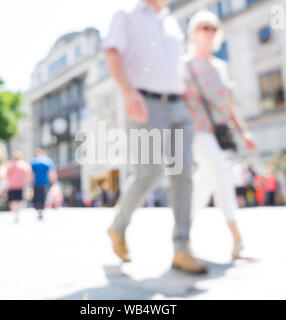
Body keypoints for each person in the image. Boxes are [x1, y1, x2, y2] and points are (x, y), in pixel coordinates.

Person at [104, 0, 206, 273]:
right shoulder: (126, 15)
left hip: (178, 105)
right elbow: (112, 54)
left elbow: (177, 67)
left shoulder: (171, 22)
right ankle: (118, 226)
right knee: (148, 173)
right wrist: (127, 92)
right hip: (144, 104)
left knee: (183, 172)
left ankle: (182, 248)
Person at [183, 11, 257, 260]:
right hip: (197, 132)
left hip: (219, 132)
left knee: (204, 186)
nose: (209, 31)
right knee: (223, 176)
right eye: (203, 27)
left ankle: (182, 238)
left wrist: (243, 130)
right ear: (193, 32)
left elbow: (228, 104)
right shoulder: (185, 66)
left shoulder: (221, 67)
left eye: (213, 28)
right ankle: (238, 241)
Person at [2, 151, 31, 223]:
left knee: (13, 201)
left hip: (11, 185)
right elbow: (28, 174)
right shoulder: (24, 164)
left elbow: (5, 174)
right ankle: (17, 213)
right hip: (21, 185)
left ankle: (15, 213)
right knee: (19, 200)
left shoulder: (9, 164)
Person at [31, 149, 57, 220]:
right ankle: (41, 210)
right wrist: (54, 181)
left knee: (36, 197)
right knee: (43, 197)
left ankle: (38, 209)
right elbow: (51, 172)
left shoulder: (34, 161)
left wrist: (30, 182)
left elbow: (31, 174)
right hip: (45, 182)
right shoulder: (48, 160)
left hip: (36, 183)